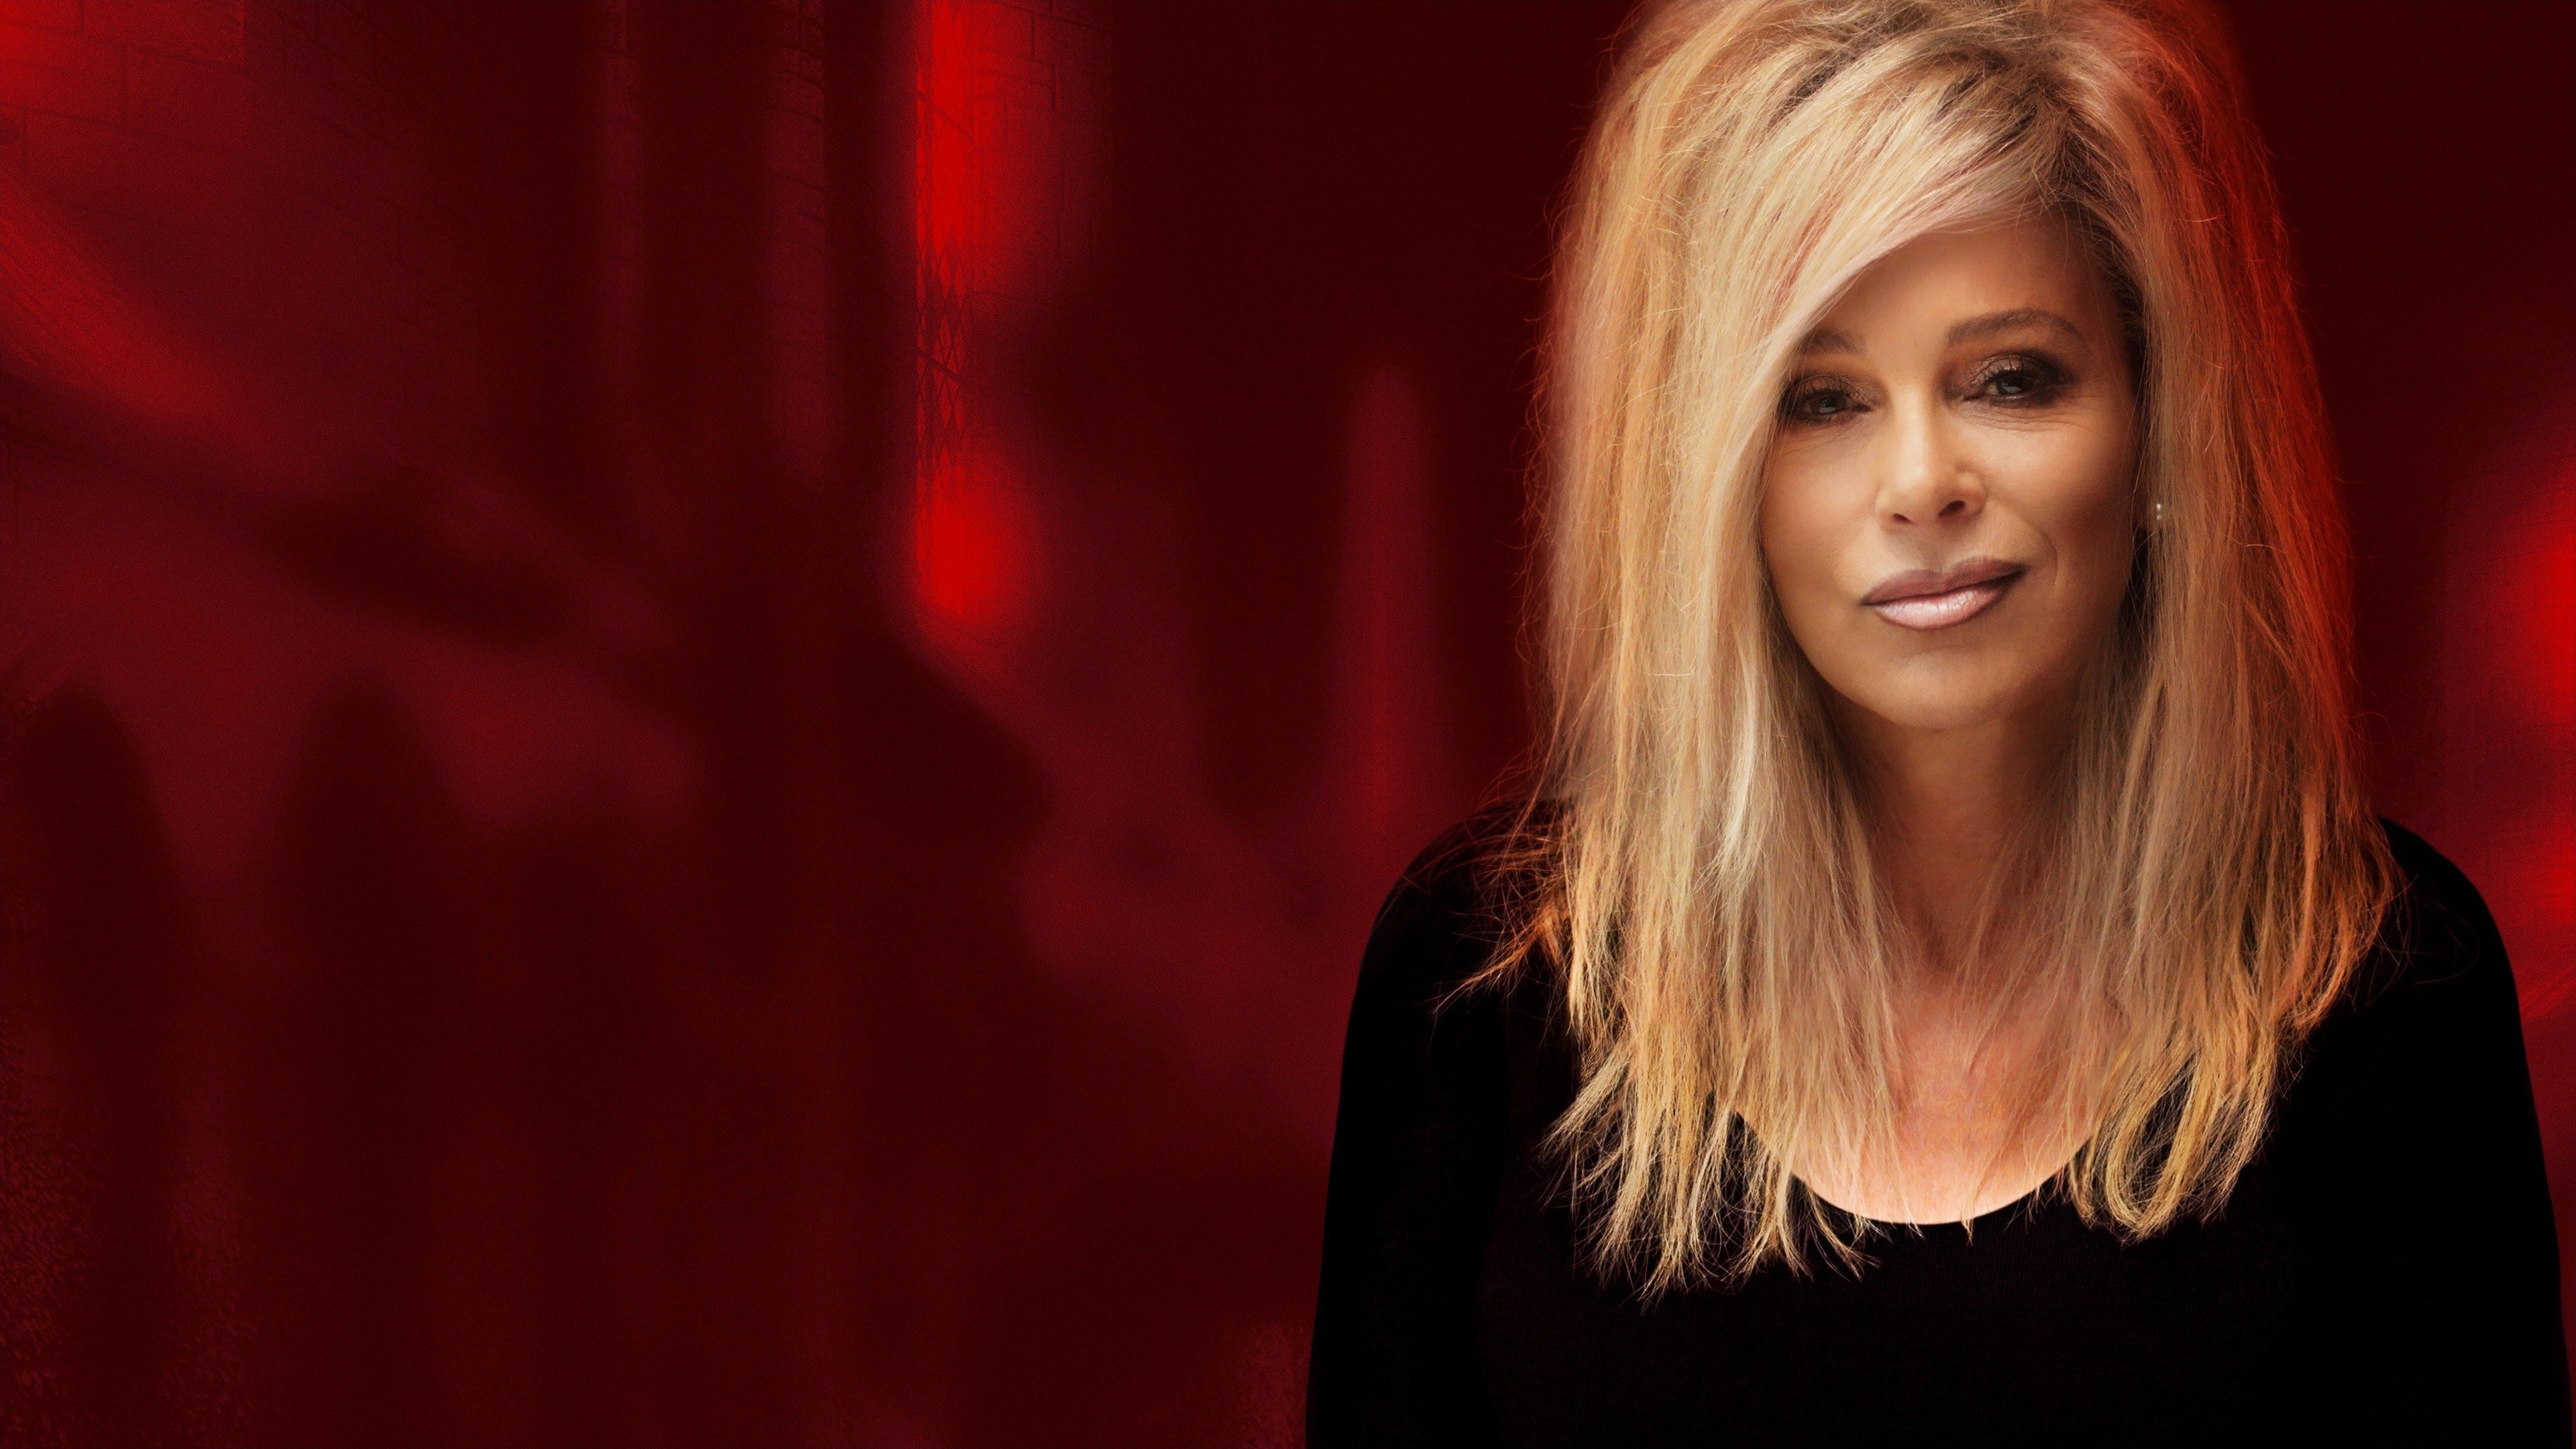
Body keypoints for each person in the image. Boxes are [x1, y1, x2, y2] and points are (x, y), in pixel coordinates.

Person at [1303, 0, 2571, 1442]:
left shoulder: (2388, 984)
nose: (1921, 482)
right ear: (1708, 473)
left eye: (2010, 377)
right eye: (1822, 398)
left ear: (2157, 421)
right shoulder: (1483, 982)